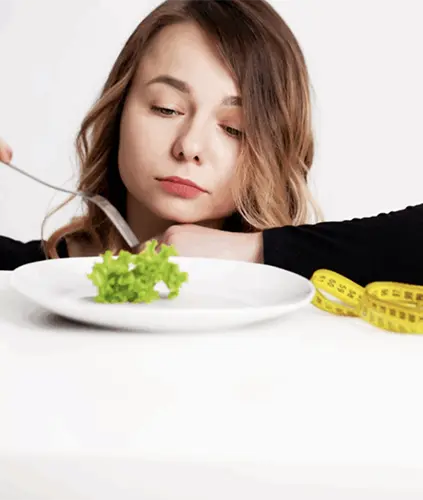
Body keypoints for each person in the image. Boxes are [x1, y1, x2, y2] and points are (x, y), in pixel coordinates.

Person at [1, 0, 421, 288]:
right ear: (118, 112)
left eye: (233, 129)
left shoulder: (296, 287)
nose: (189, 147)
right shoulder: (25, 277)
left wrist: (255, 252)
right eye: (167, 109)